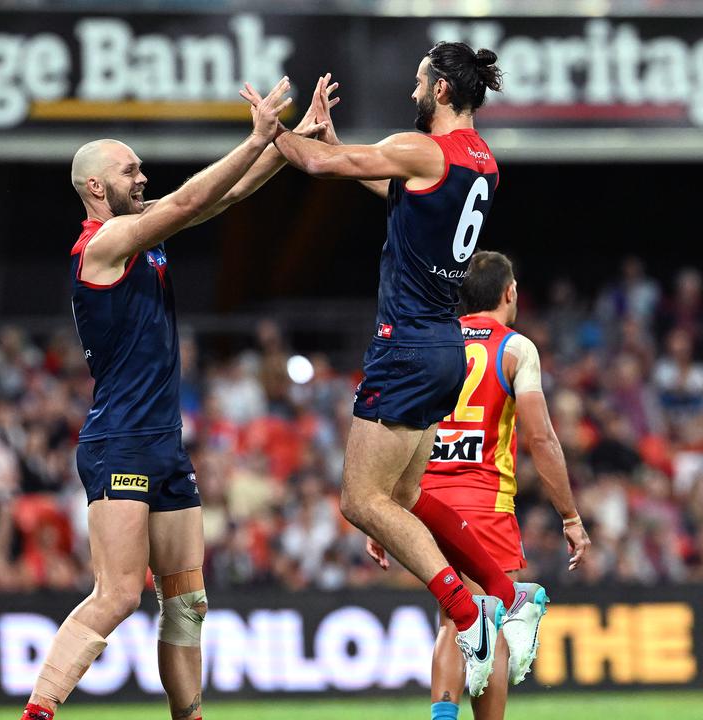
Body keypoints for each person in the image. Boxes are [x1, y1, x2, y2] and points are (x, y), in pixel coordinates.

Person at [19, 77, 335, 720]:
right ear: (96, 189)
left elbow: (224, 194)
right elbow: (192, 198)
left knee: (186, 601)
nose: (143, 176)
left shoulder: (141, 233)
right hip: (120, 441)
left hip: (162, 444)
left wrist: (285, 141)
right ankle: (38, 711)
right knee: (115, 597)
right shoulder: (103, 245)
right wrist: (255, 138)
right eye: (130, 170)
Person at [272, 44, 544, 695]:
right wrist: (341, 151)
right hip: (445, 348)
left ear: (445, 89)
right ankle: (511, 594)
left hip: (406, 347)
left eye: (422, 80)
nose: (414, 90)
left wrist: (272, 132)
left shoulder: (425, 147)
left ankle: (468, 611)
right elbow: (400, 189)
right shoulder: (481, 164)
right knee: (409, 497)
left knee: (361, 501)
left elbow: (316, 163)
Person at [367, 251, 591, 720]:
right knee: (493, 617)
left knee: (454, 618)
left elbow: (400, 427)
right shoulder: (515, 349)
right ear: (510, 293)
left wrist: (380, 514)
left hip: (423, 503)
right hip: (485, 502)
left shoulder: (430, 343)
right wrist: (570, 515)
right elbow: (541, 438)